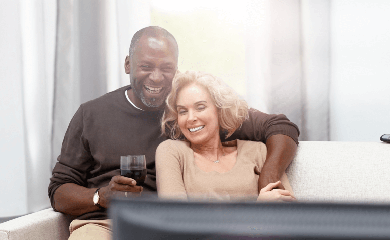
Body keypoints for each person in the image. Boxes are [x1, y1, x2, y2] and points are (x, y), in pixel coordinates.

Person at [48, 26, 299, 239]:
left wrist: (268, 177)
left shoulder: (189, 111)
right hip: (105, 223)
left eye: (166, 68)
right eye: (146, 66)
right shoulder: (92, 114)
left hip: (164, 228)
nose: (156, 78)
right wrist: (99, 197)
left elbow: (280, 127)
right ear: (127, 64)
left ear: (176, 69)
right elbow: (59, 190)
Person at [156, 71, 295, 202]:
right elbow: (174, 219)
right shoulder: (171, 151)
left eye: (200, 107)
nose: (190, 118)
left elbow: (290, 213)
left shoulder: (258, 150)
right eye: (183, 111)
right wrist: (258, 209)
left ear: (220, 109)